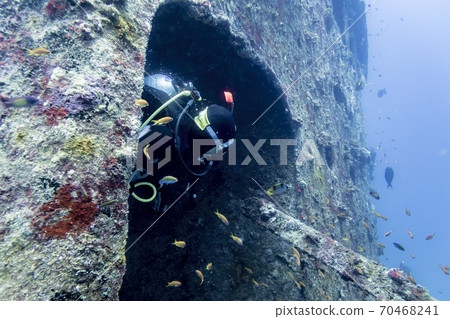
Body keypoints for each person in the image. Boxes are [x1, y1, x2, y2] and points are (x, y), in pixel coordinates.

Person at [128, 73, 236, 213]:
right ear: (207, 139)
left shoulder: (188, 132)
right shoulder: (166, 137)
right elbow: (124, 164)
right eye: (220, 149)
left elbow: (182, 164)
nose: (219, 156)